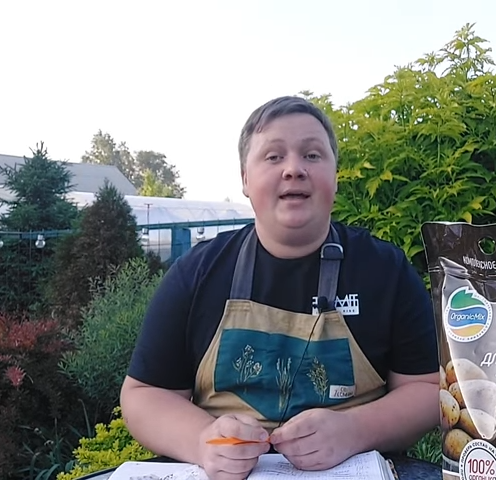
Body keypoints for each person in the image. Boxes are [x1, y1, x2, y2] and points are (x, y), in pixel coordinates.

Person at [119, 96, 439, 480]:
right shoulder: (197, 273)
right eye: (273, 157)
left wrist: (356, 430)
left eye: (312, 155)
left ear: (335, 176)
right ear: (245, 179)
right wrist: (202, 441)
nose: (294, 169)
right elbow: (144, 396)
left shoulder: (385, 271)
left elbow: (427, 388)